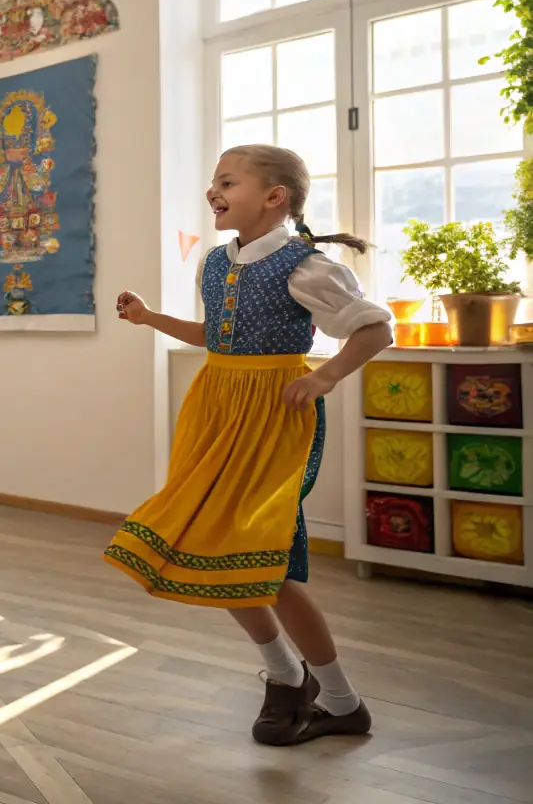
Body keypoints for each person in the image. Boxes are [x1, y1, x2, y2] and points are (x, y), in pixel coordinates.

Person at [109, 144, 392, 747]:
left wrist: (323, 377)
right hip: (216, 408)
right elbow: (215, 334)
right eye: (213, 180)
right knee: (217, 541)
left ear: (274, 197)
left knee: (272, 563)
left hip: (273, 416)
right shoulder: (215, 261)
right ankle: (287, 677)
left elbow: (375, 328)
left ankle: (341, 699)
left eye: (228, 181)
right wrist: (149, 319)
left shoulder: (306, 265)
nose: (214, 190)